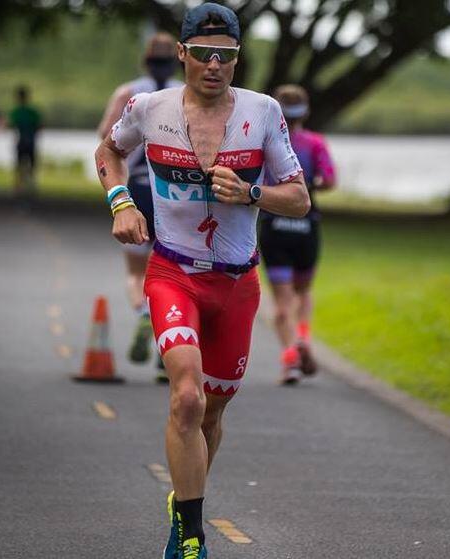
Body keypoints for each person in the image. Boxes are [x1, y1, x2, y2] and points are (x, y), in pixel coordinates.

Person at [94, 4, 309, 558]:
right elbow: (109, 151)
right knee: (185, 398)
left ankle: (183, 499)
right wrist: (120, 202)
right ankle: (191, 536)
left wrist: (252, 193)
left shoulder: (263, 113)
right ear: (183, 55)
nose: (215, 65)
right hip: (173, 274)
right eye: (204, 54)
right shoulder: (148, 108)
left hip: (237, 285)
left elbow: (300, 196)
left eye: (227, 56)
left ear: (237, 59)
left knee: (211, 413)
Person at [97, 32, 181, 380]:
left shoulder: (127, 92)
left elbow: (106, 136)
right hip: (174, 191)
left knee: (136, 273)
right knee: (173, 275)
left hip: (137, 187)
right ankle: (170, 346)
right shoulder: (183, 94)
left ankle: (145, 314)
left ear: (144, 62)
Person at [259, 84, 337, 385]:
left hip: (274, 225)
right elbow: (329, 181)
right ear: (305, 112)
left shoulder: (266, 142)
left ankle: (290, 358)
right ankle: (303, 335)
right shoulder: (315, 143)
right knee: (303, 292)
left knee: (281, 301)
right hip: (307, 225)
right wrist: (308, 186)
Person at [8, 85, 42, 199]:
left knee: (19, 166)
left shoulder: (17, 112)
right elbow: (40, 126)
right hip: (30, 141)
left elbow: (11, 125)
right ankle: (30, 187)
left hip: (22, 141)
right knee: (31, 166)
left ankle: (19, 188)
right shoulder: (32, 112)